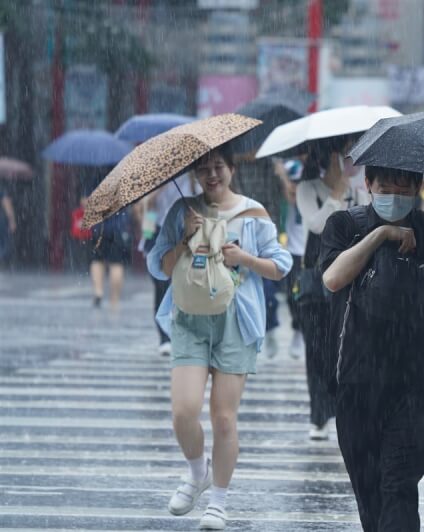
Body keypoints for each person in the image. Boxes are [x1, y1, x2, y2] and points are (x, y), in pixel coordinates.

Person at [146, 145, 292, 530]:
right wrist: (184, 239)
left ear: (231, 169)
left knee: (224, 419)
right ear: (195, 174)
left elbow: (280, 266)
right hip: (190, 320)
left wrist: (243, 258)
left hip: (236, 322)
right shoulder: (182, 211)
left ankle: (219, 501)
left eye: (219, 167)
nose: (212, 175)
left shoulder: (252, 213)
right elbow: (158, 267)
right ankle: (197, 471)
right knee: (183, 412)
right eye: (204, 169)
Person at [320, 166, 424, 531]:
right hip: (357, 386)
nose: (395, 193)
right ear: (368, 184)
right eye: (386, 184)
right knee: (370, 500)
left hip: (413, 389)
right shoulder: (344, 225)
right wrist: (382, 234)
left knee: (399, 488)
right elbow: (333, 278)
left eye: (404, 184)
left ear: (418, 187)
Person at [295, 136, 369, 441]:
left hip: (347, 282)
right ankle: (319, 415)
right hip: (314, 282)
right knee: (317, 351)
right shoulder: (308, 188)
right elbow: (315, 225)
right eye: (343, 156)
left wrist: (349, 195)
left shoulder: (358, 192)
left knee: (346, 350)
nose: (348, 163)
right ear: (331, 159)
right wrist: (336, 197)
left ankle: (344, 409)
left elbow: (366, 228)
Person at [137, 173, 201, 356]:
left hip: (185, 233)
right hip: (160, 234)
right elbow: (147, 208)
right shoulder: (158, 178)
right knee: (161, 286)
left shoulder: (193, 177)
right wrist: (146, 237)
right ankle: (164, 338)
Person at [275, 158, 307, 359]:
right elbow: (289, 196)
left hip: (315, 245)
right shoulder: (290, 167)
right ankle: (298, 327)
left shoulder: (323, 169)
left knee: (310, 293)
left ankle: (304, 330)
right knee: (292, 293)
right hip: (293, 246)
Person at [0, 180, 17, 266]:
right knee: (4, 244)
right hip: (1, 221)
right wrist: (12, 221)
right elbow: (7, 205)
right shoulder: (2, 190)